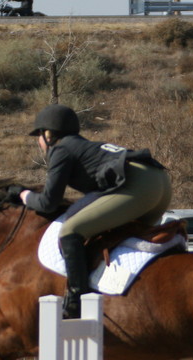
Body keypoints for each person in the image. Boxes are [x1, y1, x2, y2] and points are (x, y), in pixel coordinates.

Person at [18, 104, 171, 318]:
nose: (38, 141)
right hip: (160, 181)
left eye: (38, 135)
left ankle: (76, 301)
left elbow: (48, 203)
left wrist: (24, 196)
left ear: (49, 134)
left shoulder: (61, 149)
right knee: (118, 237)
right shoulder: (83, 147)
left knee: (71, 229)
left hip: (139, 184)